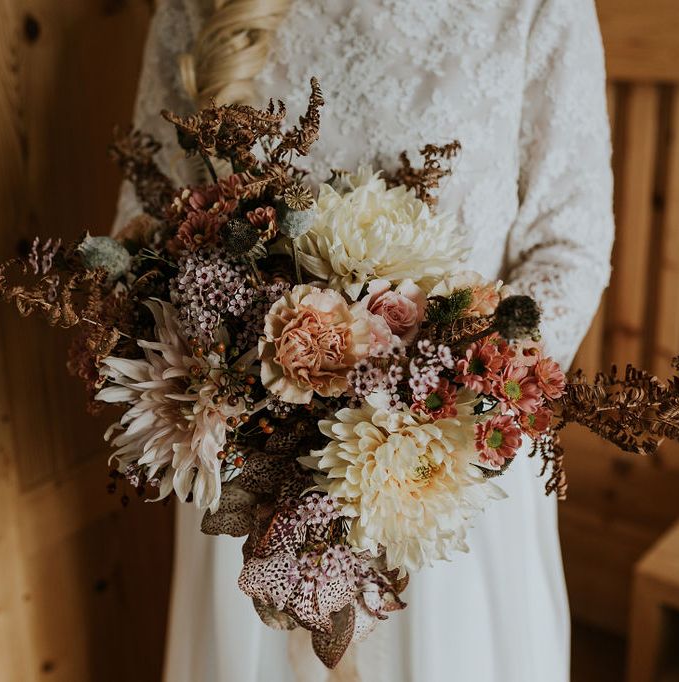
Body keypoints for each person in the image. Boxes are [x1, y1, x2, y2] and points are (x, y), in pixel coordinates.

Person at [113, 1, 614, 680]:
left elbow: (567, 245)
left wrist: (453, 411)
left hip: (441, 471)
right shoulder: (195, 7)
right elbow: (143, 226)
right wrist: (260, 410)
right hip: (248, 464)